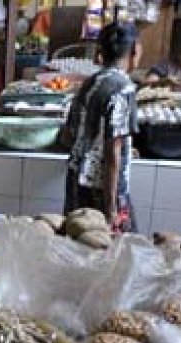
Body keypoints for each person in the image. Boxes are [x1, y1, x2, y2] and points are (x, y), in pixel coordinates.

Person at [63, 22, 142, 233]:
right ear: (135, 49)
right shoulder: (122, 87)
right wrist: (111, 210)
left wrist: (124, 146)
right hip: (102, 189)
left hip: (77, 182)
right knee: (115, 252)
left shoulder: (90, 82)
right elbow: (111, 155)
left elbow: (69, 135)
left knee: (78, 245)